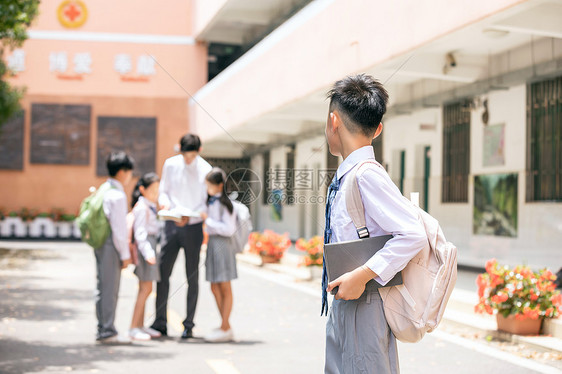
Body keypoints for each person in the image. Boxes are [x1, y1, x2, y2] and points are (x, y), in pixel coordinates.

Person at [322, 74, 427, 373]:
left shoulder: (366, 174)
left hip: (365, 301)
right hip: (349, 300)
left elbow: (412, 233)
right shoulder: (349, 174)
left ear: (333, 121)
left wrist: (361, 275)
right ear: (378, 129)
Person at [150, 134, 212, 339]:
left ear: (199, 151)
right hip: (171, 223)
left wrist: (191, 215)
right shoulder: (170, 164)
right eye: (185, 155)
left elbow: (206, 200)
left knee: (192, 276)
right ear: (180, 150)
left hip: (193, 226)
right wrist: (166, 204)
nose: (188, 159)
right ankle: (160, 322)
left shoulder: (206, 169)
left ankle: (189, 325)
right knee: (162, 273)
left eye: (192, 155)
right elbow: (163, 191)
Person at [96, 151, 135, 344]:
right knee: (110, 288)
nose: (130, 176)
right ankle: (108, 331)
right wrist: (125, 254)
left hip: (101, 243)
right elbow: (119, 230)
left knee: (102, 286)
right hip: (112, 244)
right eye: (129, 172)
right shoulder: (117, 195)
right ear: (122, 172)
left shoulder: (104, 189)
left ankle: (103, 327)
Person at [200, 168, 238, 343]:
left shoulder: (227, 204)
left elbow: (228, 229)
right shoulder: (210, 202)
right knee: (214, 286)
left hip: (223, 244)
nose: (207, 188)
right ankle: (226, 325)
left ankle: (224, 326)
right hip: (213, 244)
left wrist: (208, 221)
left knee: (224, 285)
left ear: (219, 185)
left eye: (210, 185)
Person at [129, 172, 162, 341]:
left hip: (149, 247)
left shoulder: (150, 205)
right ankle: (134, 326)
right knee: (145, 289)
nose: (156, 193)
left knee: (147, 288)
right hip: (146, 249)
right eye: (153, 189)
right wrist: (149, 253)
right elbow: (140, 233)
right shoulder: (142, 207)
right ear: (142, 189)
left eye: (158, 189)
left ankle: (140, 325)